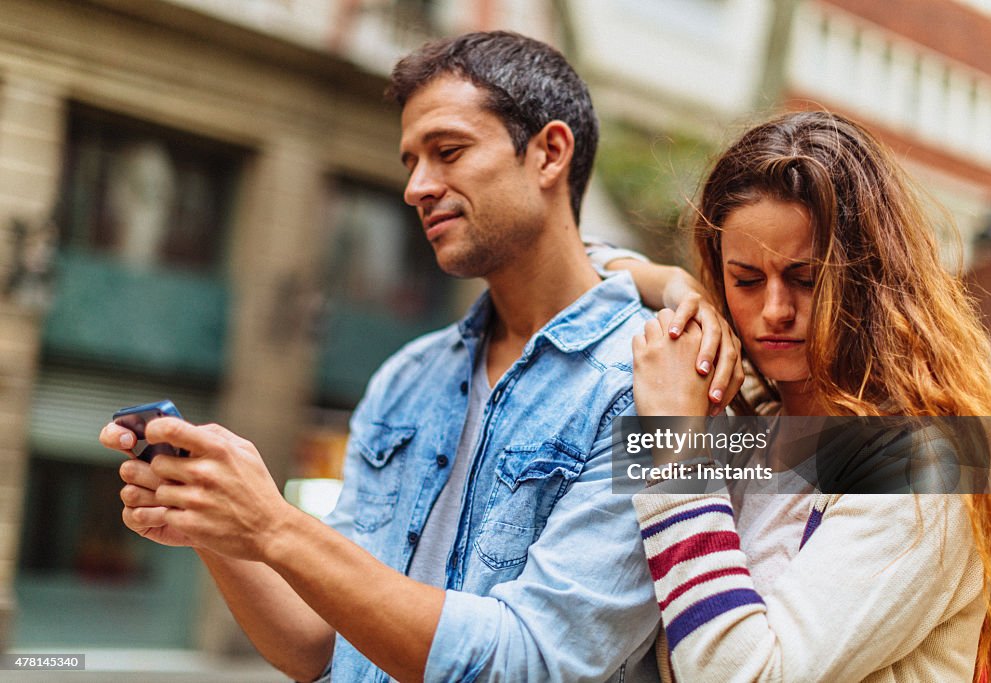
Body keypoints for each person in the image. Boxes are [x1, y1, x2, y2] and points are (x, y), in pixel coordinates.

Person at [100, 32, 743, 682]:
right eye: (411, 160)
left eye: (448, 151)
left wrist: (275, 525)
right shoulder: (405, 379)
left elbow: (536, 661)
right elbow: (318, 645)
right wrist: (217, 521)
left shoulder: (657, 387)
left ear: (549, 152)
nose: (416, 187)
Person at [622, 111, 991, 681]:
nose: (776, 310)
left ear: (871, 279)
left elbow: (749, 675)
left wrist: (677, 453)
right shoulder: (755, 418)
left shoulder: (927, 466)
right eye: (745, 280)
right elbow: (584, 253)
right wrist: (674, 285)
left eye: (808, 279)